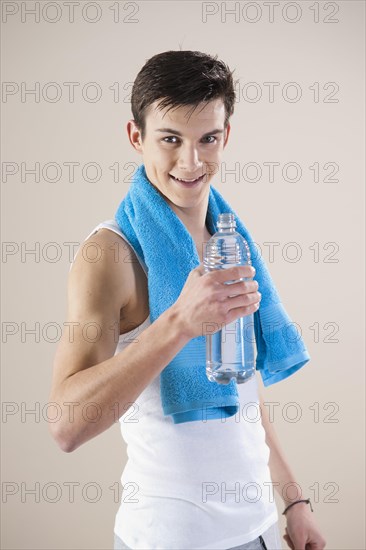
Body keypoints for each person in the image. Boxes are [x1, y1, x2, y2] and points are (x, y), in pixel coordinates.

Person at [48, 50, 326, 550]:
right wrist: (178, 322)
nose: (191, 162)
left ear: (226, 136)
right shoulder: (109, 254)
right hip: (172, 537)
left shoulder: (230, 238)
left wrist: (293, 499)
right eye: (170, 139)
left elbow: (241, 382)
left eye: (208, 139)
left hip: (258, 525)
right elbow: (66, 425)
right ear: (137, 137)